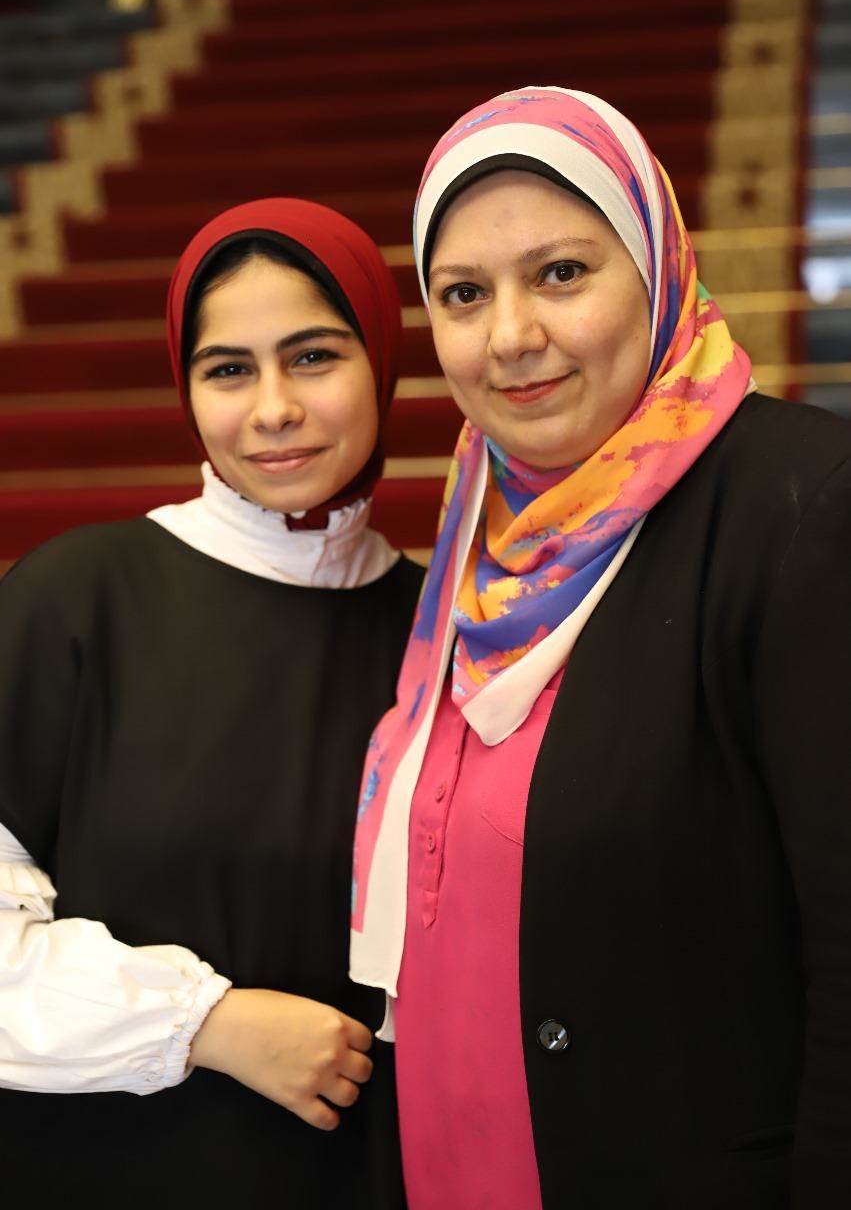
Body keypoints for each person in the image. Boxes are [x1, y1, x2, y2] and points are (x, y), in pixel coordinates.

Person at [350, 88, 851, 1209]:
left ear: (657, 268)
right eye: (463, 293)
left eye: (561, 273)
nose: (509, 336)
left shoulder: (799, 508)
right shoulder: (472, 540)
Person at [0, 198, 422, 1205]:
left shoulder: (444, 630)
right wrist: (207, 1023)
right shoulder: (77, 598)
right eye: (228, 369)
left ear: (381, 362)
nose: (272, 408)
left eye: (312, 357)